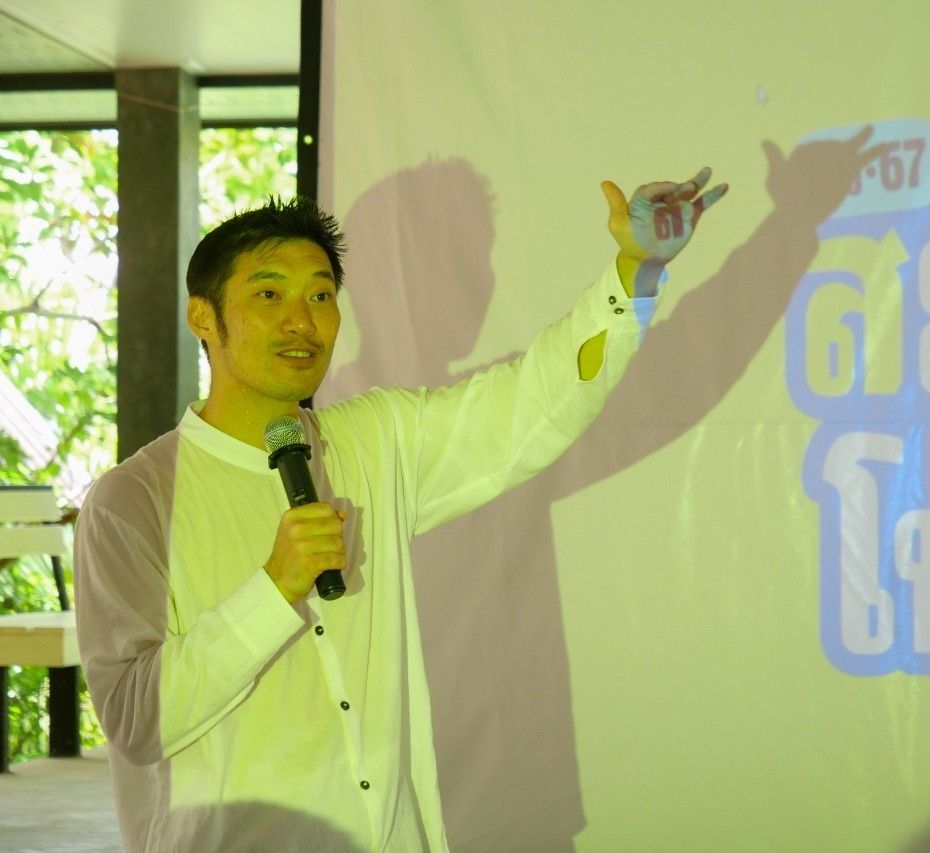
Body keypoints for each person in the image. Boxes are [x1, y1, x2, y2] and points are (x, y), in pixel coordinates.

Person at [73, 171, 727, 851]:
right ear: (203, 317)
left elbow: (534, 400)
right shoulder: (133, 501)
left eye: (320, 295)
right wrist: (274, 587)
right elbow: (136, 720)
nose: (302, 321)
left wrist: (634, 270)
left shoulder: (374, 439)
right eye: (269, 294)